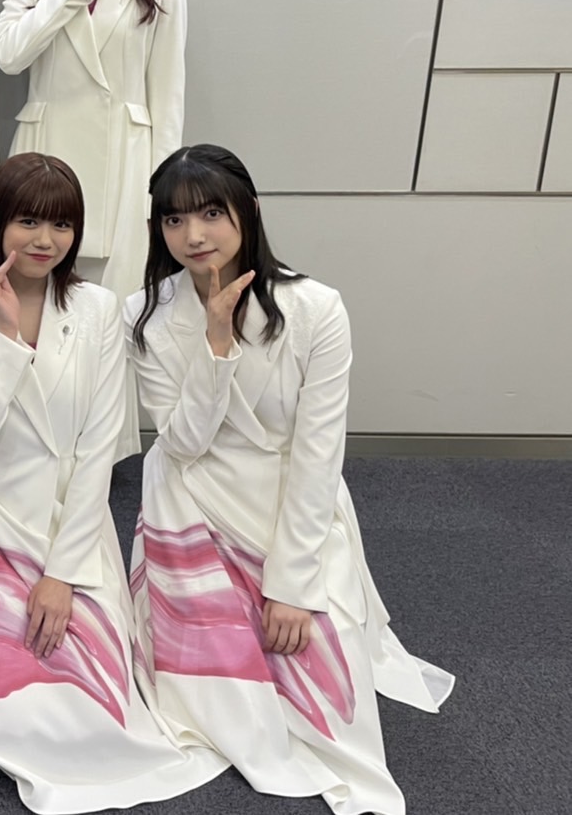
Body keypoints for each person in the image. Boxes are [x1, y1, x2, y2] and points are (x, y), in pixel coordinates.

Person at [124, 145, 454, 815]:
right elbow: (181, 443)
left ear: (249, 211)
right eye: (174, 220)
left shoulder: (316, 308)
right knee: (214, 685)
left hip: (287, 498)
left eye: (211, 213)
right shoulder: (147, 313)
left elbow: (317, 454)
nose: (193, 235)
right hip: (191, 493)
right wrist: (216, 345)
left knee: (321, 673)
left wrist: (292, 586)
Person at [0, 153, 225, 813]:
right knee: (9, 696)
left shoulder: (97, 307)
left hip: (67, 519)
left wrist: (62, 572)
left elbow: (97, 448)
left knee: (100, 688)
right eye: (28, 221)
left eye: (61, 225)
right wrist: (5, 338)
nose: (45, 240)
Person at [0, 0, 186, 303]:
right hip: (45, 157)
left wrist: (161, 197)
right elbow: (11, 55)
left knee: (119, 310)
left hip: (127, 163)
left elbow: (167, 95)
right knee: (36, 306)